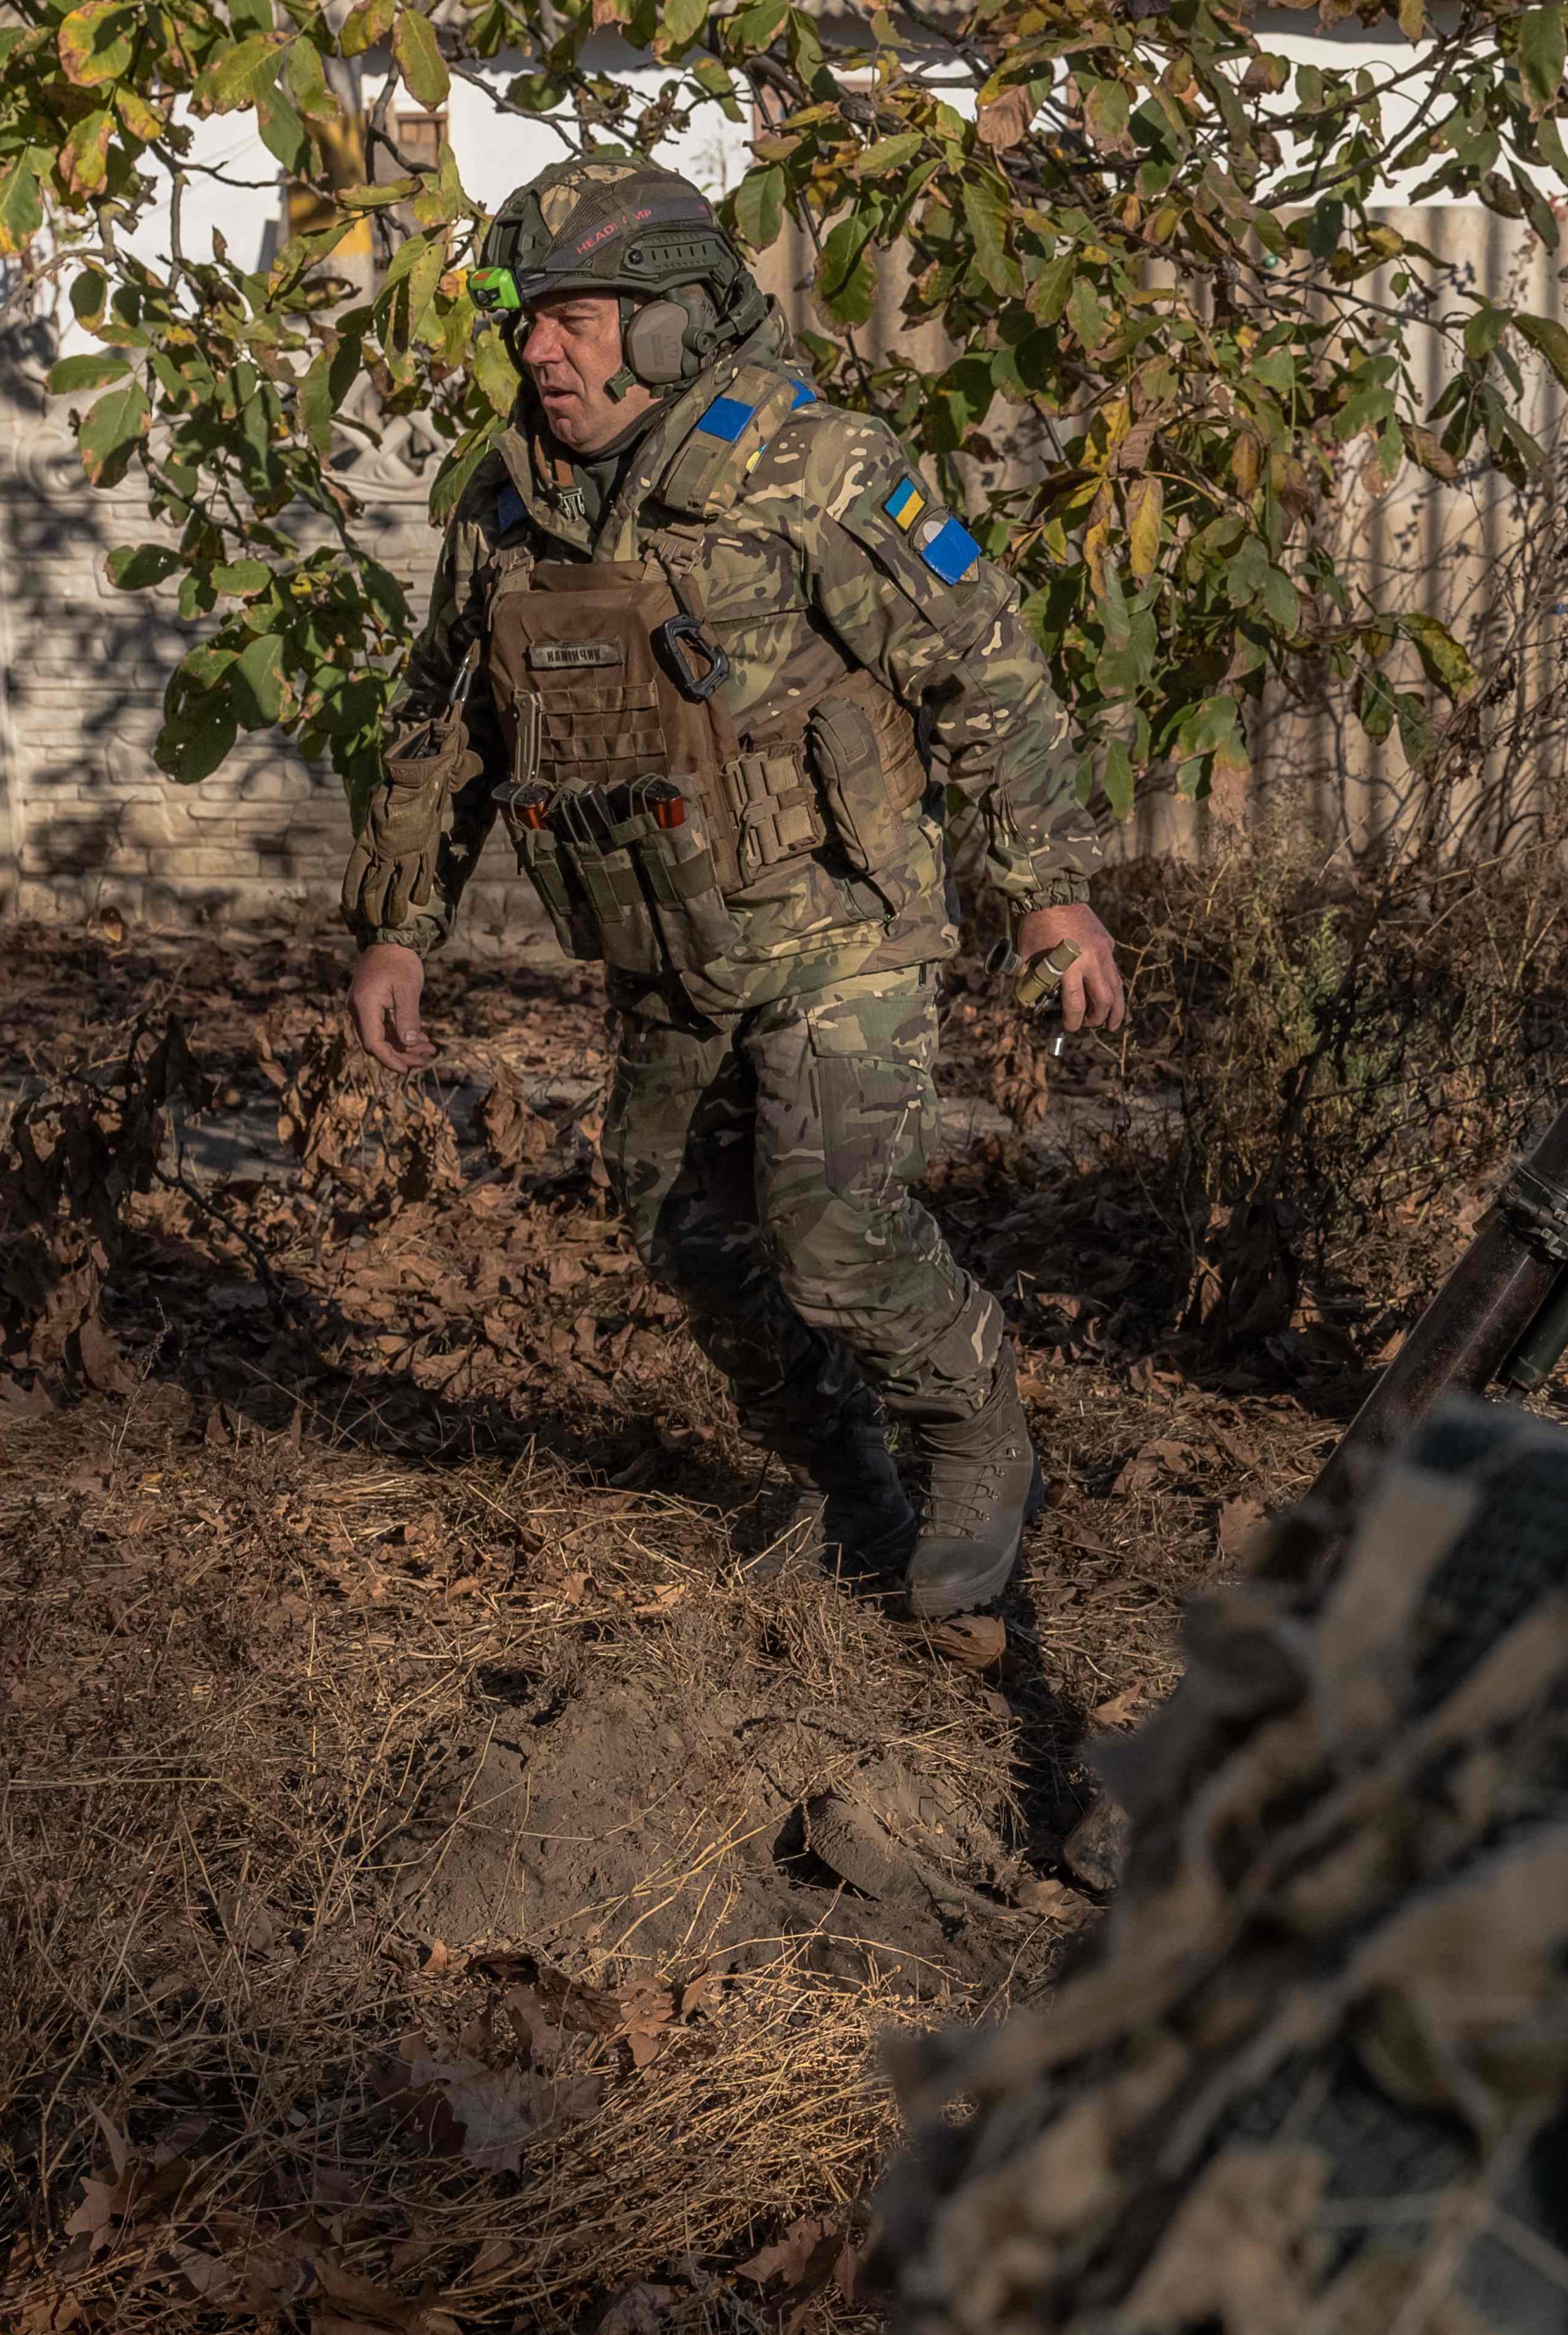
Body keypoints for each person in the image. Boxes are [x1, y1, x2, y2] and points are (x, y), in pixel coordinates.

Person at [339, 153, 1125, 1618]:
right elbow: (444, 721)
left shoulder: (816, 468)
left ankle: (973, 1436)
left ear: (671, 321)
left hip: (840, 927)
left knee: (832, 1224)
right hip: (669, 944)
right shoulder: (507, 508)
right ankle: (850, 1487)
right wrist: (398, 929)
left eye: (571, 318)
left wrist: (1047, 890)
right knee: (679, 1227)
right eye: (523, 319)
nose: (535, 348)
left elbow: (987, 667)